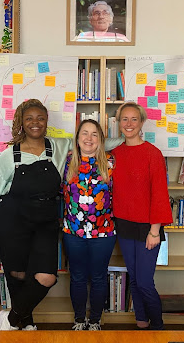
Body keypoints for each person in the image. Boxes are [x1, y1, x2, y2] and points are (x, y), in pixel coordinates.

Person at [0, 99, 123, 331]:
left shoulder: (58, 147)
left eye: (40, 118)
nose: (35, 123)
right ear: (21, 122)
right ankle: (26, 322)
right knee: (17, 276)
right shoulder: (9, 156)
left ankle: (11, 318)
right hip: (12, 222)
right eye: (29, 118)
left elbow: (96, 140)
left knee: (46, 276)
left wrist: (130, 137)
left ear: (47, 122)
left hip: (44, 223)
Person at [111, 102, 173, 330]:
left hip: (149, 227)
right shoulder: (114, 155)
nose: (129, 124)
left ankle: (157, 326)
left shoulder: (152, 154)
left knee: (145, 281)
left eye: (134, 119)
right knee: (135, 278)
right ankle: (141, 322)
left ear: (142, 122)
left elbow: (159, 193)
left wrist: (155, 231)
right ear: (119, 124)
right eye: (124, 119)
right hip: (124, 225)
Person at [62, 119, 116, 331]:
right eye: (85, 133)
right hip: (73, 232)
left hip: (104, 233)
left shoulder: (111, 162)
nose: (89, 138)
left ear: (101, 140)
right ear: (77, 138)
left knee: (98, 277)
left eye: (94, 134)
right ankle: (78, 319)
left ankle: (94, 320)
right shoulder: (67, 162)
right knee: (77, 277)